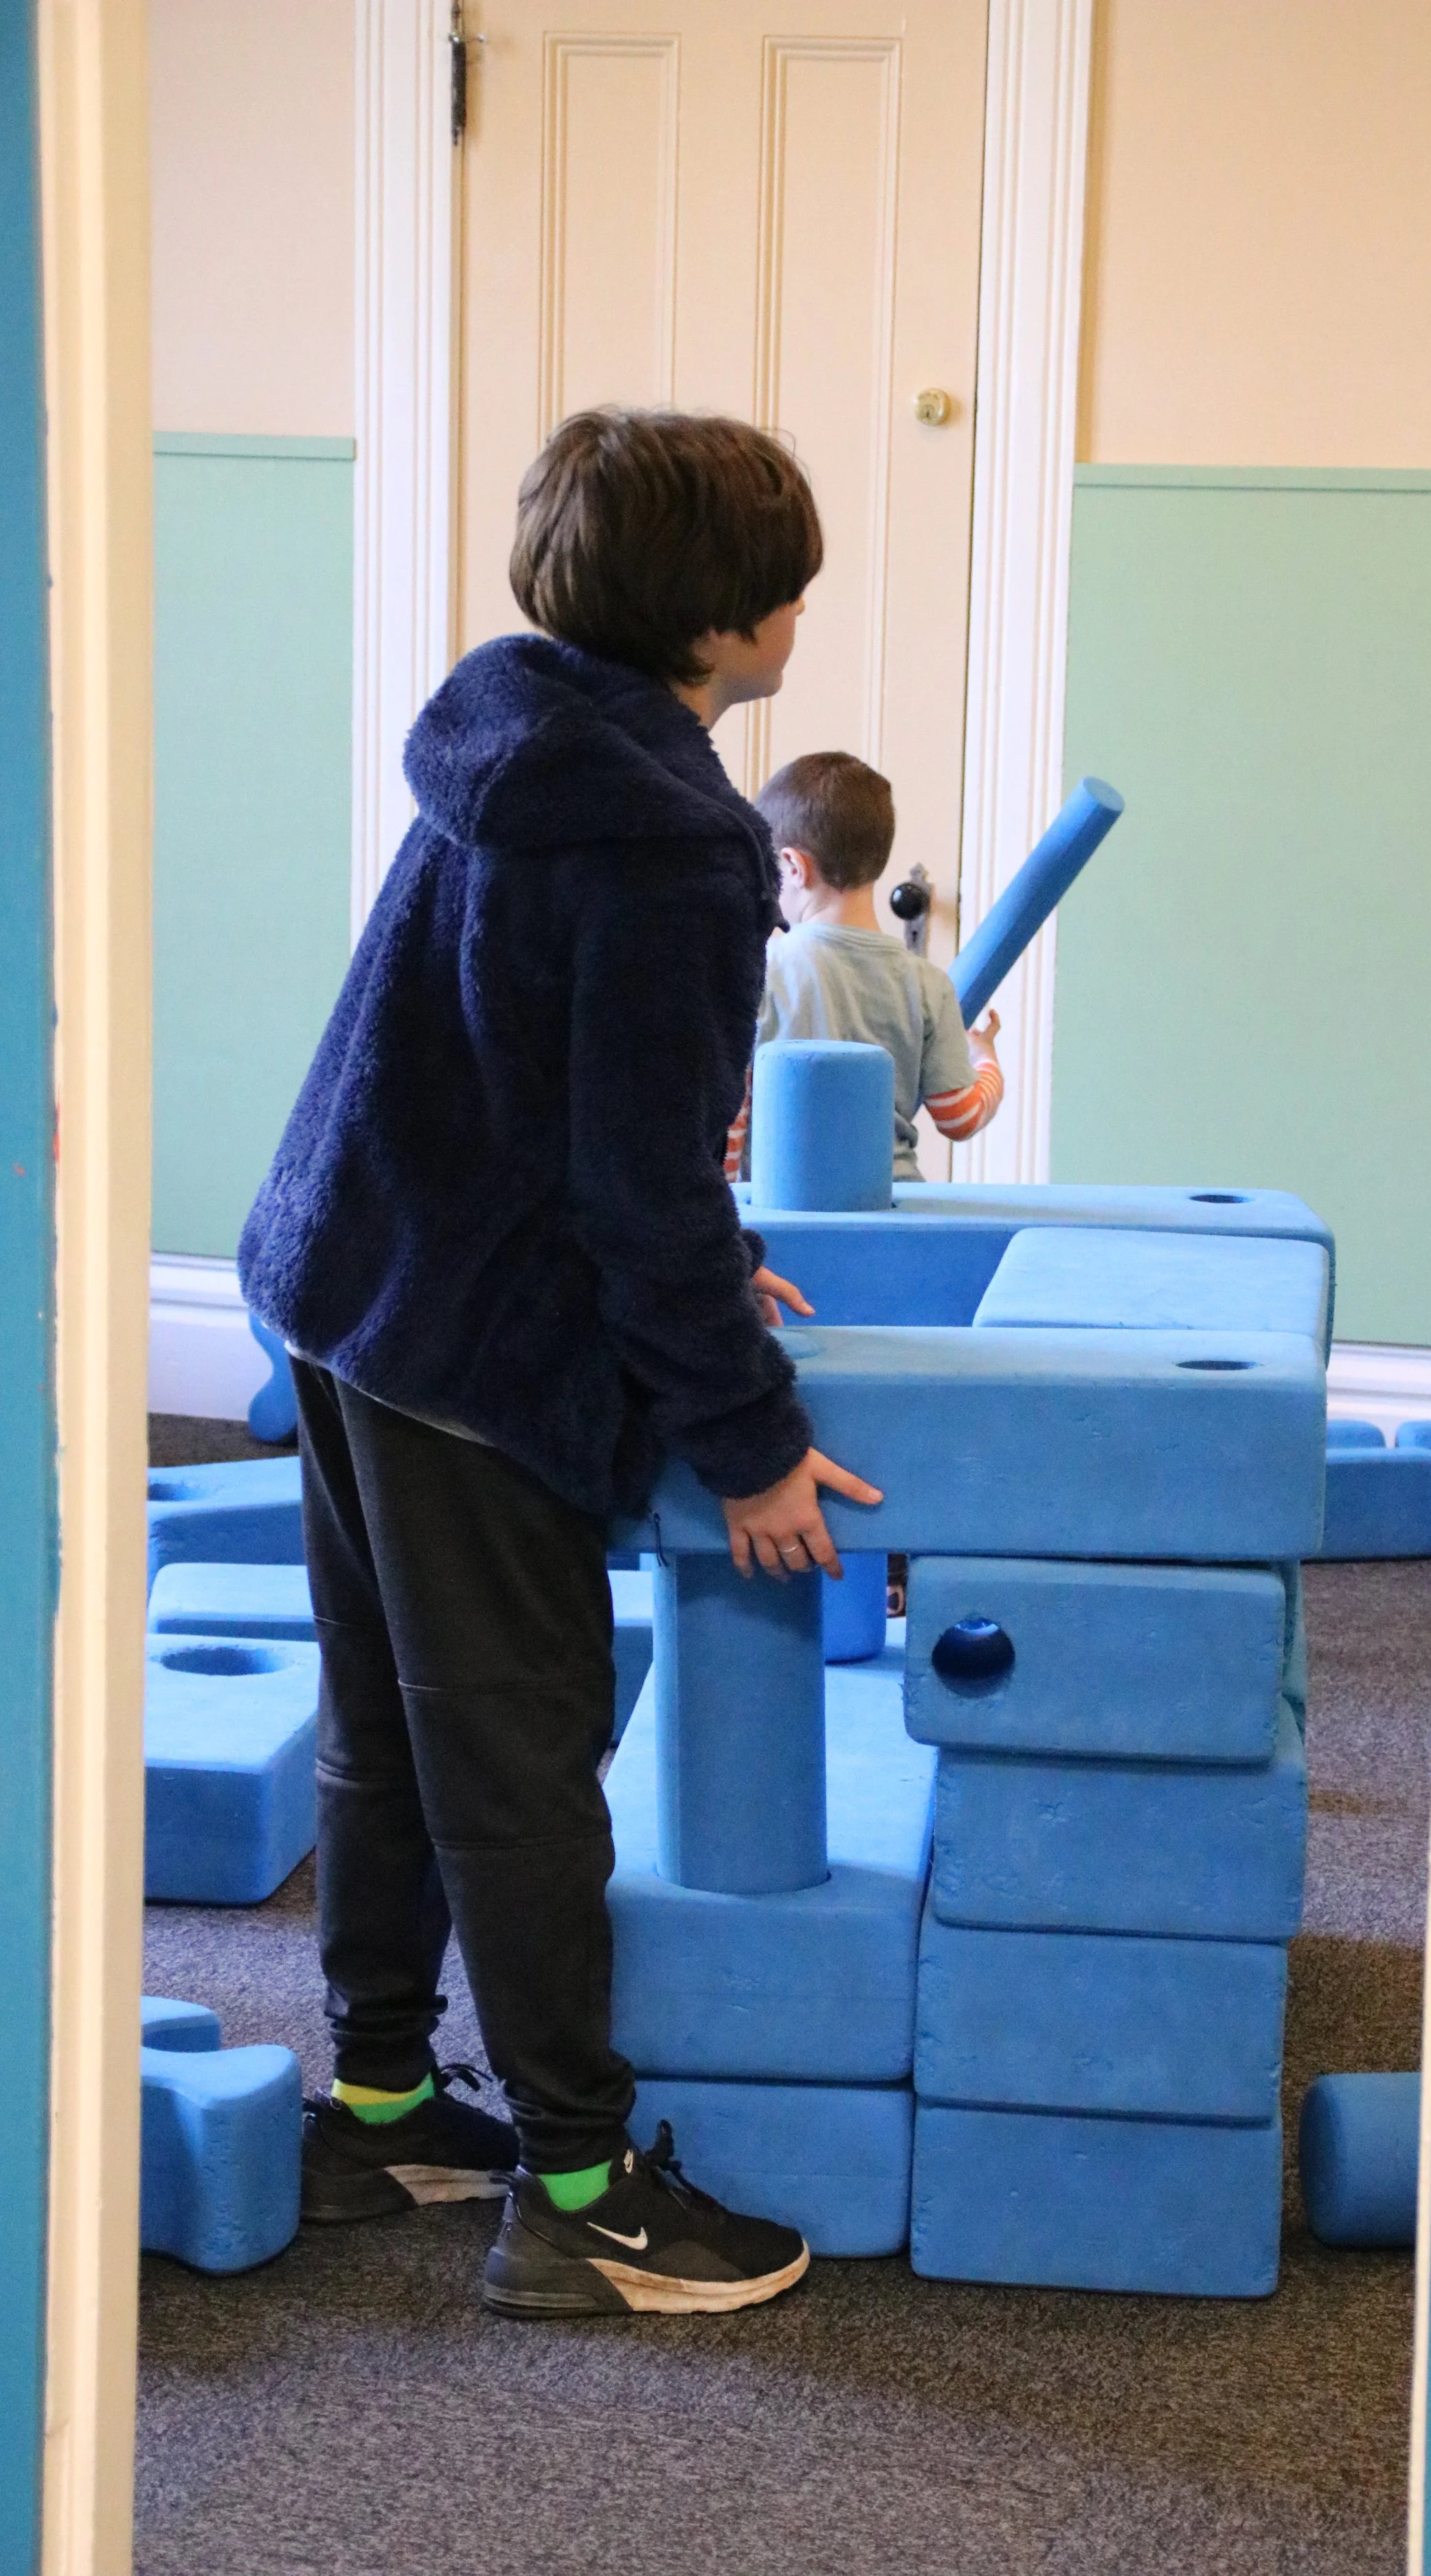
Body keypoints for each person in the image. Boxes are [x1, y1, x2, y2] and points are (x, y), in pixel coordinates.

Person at [238, 408, 882, 2320]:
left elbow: (529, 1071)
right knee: (521, 1758)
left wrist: (714, 1258)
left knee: (387, 1718)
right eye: (786, 585)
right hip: (466, 1343)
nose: (797, 611)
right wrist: (748, 1441)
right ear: (726, 621)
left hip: (343, 1276)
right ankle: (583, 2191)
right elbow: (633, 1187)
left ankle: (377, 2103)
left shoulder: (508, 728)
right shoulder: (682, 846)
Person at [725, 750, 1004, 1183]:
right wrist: (986, 1061)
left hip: (783, 1208)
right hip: (890, 1212)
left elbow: (732, 1118)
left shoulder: (759, 969)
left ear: (793, 867)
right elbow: (959, 1116)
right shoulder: (928, 984)